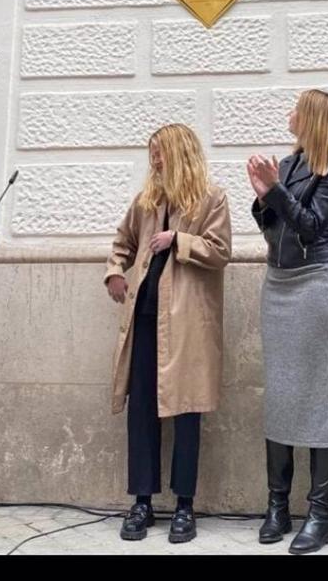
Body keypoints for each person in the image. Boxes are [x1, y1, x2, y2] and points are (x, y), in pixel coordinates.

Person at [104, 124, 232, 544]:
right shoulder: (146, 201)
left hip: (188, 323)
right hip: (144, 317)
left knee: (186, 411)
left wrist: (179, 238)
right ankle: (141, 501)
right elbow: (121, 242)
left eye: (159, 152)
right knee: (142, 409)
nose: (154, 160)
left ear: (178, 153)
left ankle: (184, 505)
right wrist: (114, 273)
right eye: (151, 153)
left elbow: (220, 252)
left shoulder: (212, 197)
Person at [247, 88, 328, 555]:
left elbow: (312, 226)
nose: (289, 114)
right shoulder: (289, 164)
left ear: (313, 118)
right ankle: (277, 506)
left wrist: (274, 193)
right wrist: (263, 198)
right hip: (278, 282)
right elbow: (274, 226)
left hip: (314, 283)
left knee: (314, 394)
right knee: (281, 393)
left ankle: (319, 513)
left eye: (296, 108)